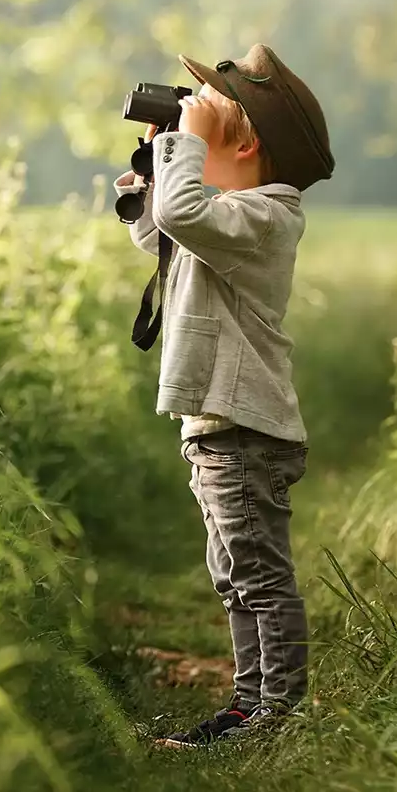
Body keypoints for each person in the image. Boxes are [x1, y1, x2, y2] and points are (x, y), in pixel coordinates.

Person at [113, 44, 335, 747]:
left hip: (245, 428)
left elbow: (183, 214)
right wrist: (151, 169)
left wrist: (187, 147)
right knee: (233, 575)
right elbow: (162, 231)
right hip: (216, 425)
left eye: (209, 112)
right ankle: (249, 705)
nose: (189, 117)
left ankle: (279, 712)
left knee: (260, 575)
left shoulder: (269, 216)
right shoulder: (225, 213)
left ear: (245, 144)